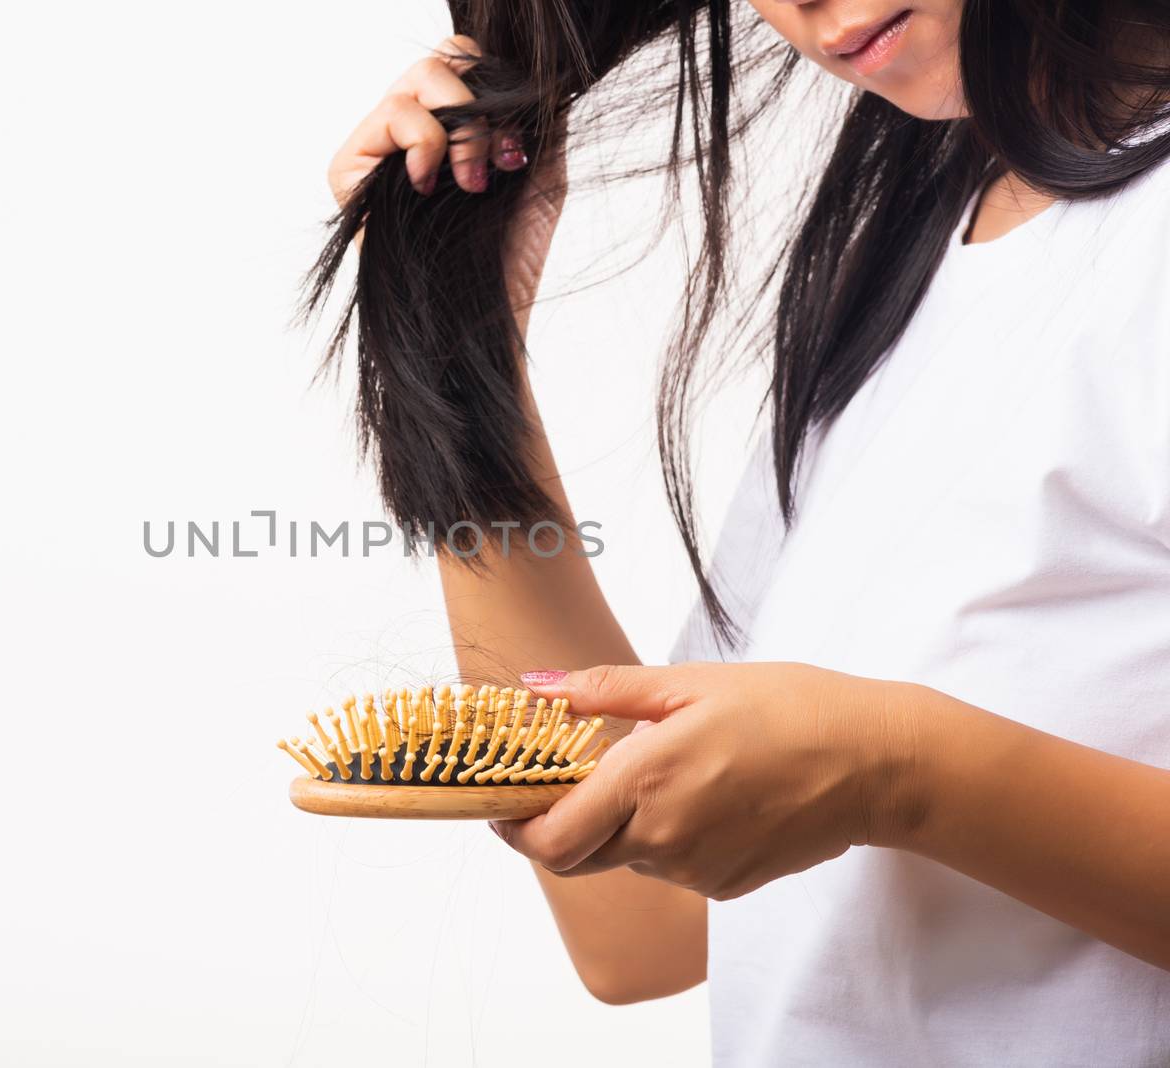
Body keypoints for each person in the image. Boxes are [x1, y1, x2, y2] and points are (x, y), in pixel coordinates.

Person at [321, 1, 1170, 1064]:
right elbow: (639, 927)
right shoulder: (919, 243)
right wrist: (459, 334)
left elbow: (854, 777)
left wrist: (898, 771)